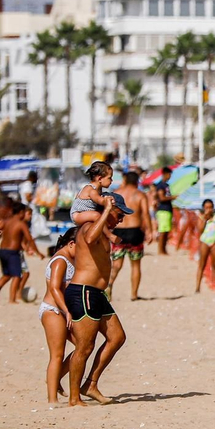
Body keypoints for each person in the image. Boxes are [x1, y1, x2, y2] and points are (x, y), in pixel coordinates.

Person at [65, 192, 127, 407]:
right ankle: (74, 398)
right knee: (85, 347)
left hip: (97, 293)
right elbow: (90, 238)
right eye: (120, 214)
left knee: (117, 337)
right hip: (83, 292)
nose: (122, 219)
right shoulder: (89, 228)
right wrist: (107, 210)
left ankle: (90, 384)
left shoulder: (103, 230)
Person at [38, 227, 79, 406]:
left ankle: (54, 378)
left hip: (64, 310)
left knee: (83, 346)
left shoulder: (72, 257)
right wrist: (67, 310)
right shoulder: (60, 260)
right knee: (57, 354)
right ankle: (52, 399)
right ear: (71, 243)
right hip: (53, 310)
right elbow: (55, 288)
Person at [0, 201, 44, 304]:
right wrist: (38, 253)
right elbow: (30, 239)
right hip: (12, 253)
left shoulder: (6, 221)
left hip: (2, 251)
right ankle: (12, 299)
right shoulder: (21, 224)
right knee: (17, 275)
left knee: (6, 275)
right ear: (21, 212)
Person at [107, 169, 153, 301]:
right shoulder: (140, 195)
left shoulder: (116, 194)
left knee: (116, 264)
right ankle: (134, 294)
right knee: (136, 264)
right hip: (135, 231)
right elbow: (145, 214)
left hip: (119, 230)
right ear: (137, 181)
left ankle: (109, 285)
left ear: (125, 180)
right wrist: (149, 231)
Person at [152, 171, 174, 255]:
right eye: (169, 174)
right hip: (163, 210)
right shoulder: (161, 185)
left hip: (167, 210)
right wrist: (173, 197)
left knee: (166, 231)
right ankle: (160, 250)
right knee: (163, 231)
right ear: (165, 174)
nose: (170, 176)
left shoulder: (166, 185)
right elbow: (162, 198)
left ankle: (163, 249)